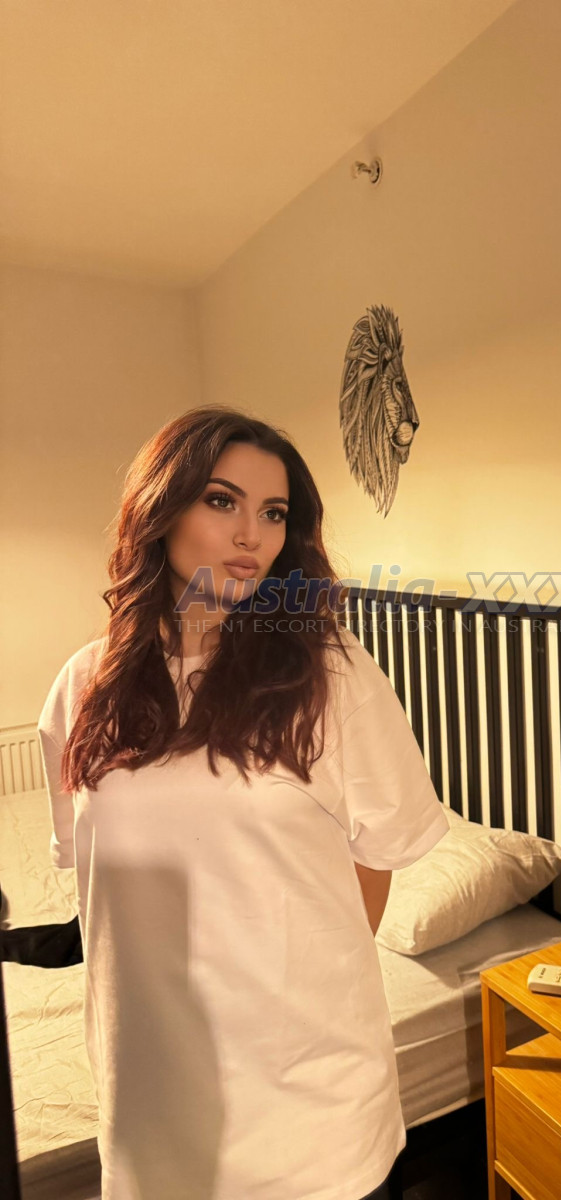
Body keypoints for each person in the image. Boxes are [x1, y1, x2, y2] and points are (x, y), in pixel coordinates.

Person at [37, 406, 449, 1200]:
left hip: (309, 1115)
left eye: (274, 512)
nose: (250, 534)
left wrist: (282, 978)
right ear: (162, 508)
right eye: (222, 500)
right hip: (148, 1106)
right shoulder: (85, 684)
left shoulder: (329, 673)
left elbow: (375, 861)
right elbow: (97, 888)